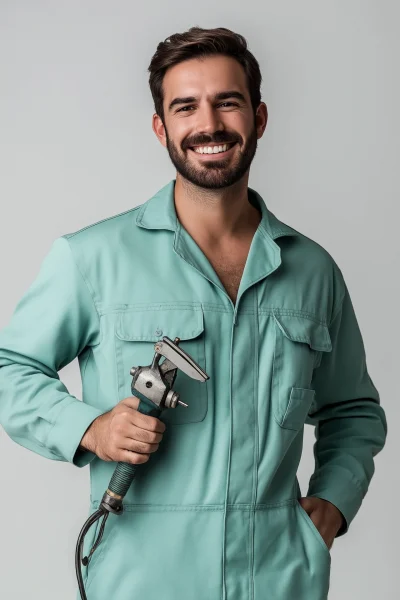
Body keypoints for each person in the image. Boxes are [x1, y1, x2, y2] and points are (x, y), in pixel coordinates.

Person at [0, 26, 387, 600]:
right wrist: (92, 428)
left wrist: (329, 508)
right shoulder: (93, 258)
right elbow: (10, 370)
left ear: (258, 117)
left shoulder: (313, 272)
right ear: (162, 127)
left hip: (278, 583)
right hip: (141, 583)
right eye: (186, 106)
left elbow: (354, 412)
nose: (209, 124)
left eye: (227, 102)